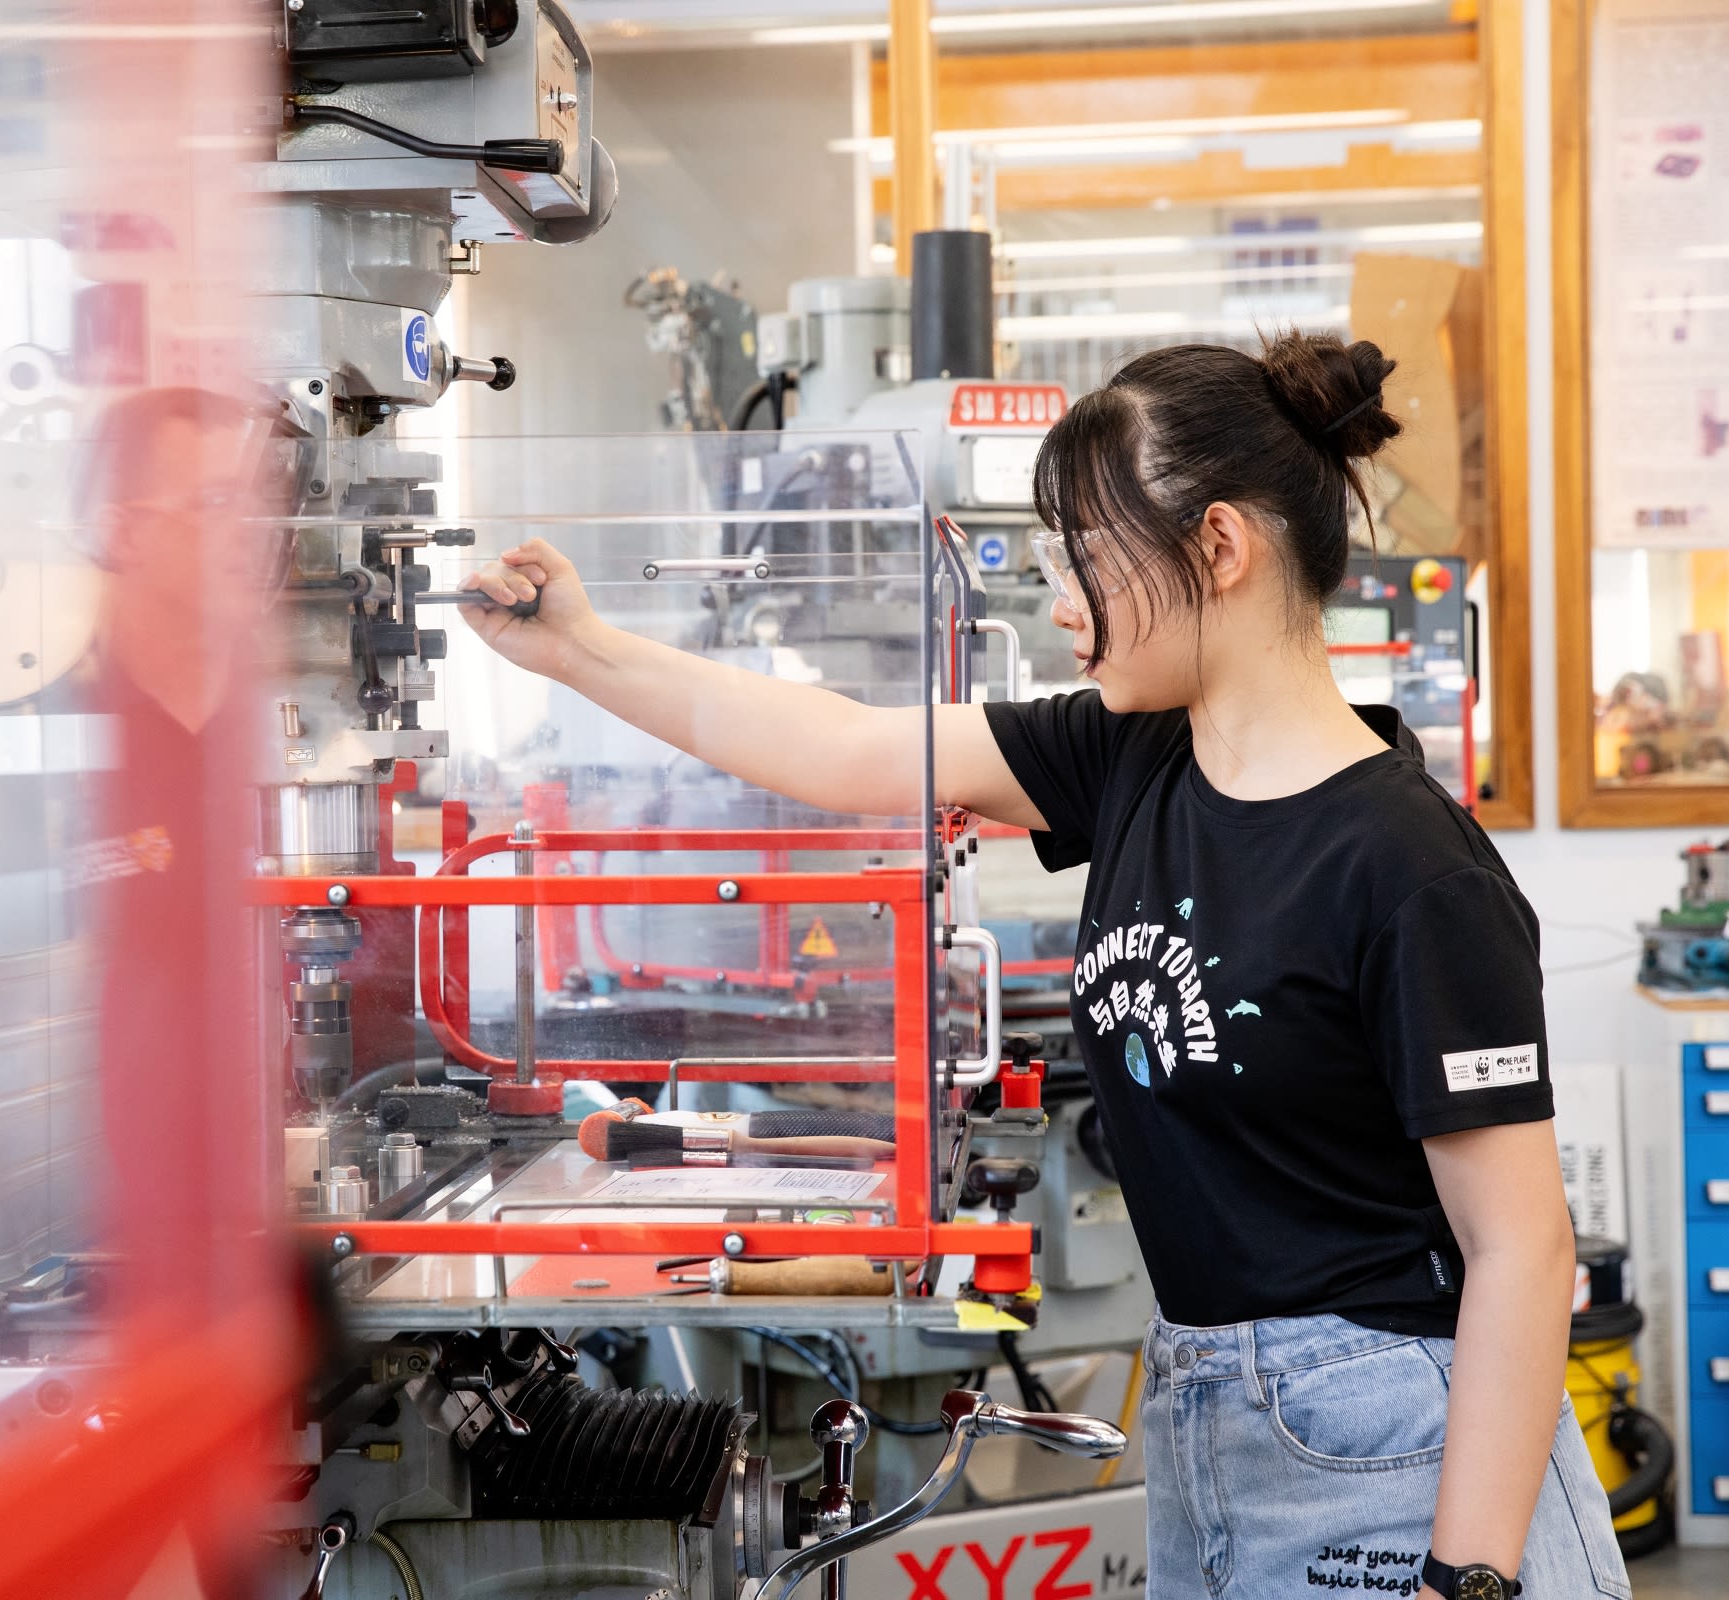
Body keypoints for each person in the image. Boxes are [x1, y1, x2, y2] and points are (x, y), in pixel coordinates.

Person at [461, 330, 1625, 1600]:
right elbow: (848, 750)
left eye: (1089, 557)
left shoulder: (1410, 868)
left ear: (1221, 548)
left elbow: (1522, 1251)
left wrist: (1468, 1580)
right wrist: (580, 649)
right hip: (1209, 1415)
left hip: (1398, 1448)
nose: (1061, 598)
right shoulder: (1132, 755)